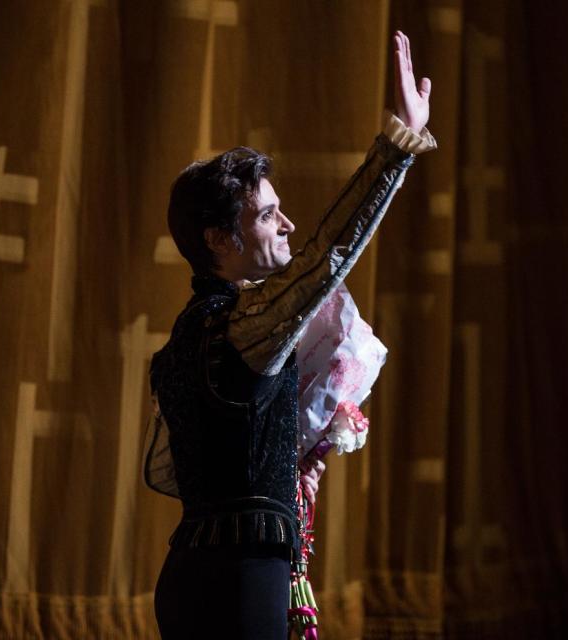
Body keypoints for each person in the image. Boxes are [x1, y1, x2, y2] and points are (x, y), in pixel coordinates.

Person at [147, 31, 435, 638]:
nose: (288, 225)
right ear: (219, 240)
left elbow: (194, 467)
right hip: (239, 577)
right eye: (268, 214)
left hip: (203, 572)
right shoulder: (239, 327)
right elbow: (327, 256)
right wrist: (397, 147)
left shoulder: (187, 338)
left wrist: (287, 461)